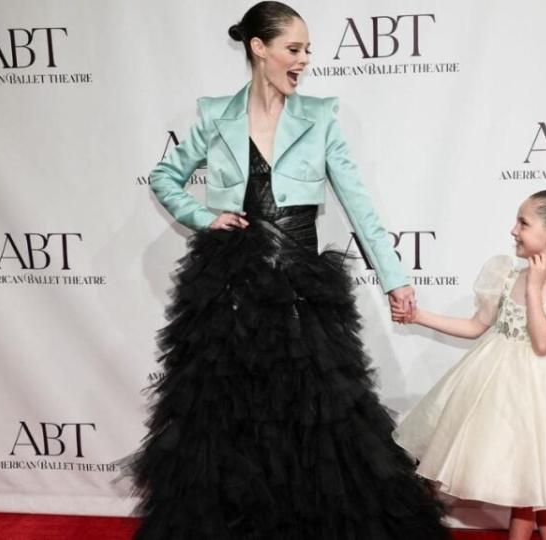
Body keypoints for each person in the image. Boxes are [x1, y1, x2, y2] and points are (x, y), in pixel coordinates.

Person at [126, 2, 449, 538]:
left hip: (300, 282)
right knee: (227, 411)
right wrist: (204, 216)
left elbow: (358, 203)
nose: (303, 62)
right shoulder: (215, 114)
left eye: (307, 52)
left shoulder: (320, 116)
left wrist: (394, 277)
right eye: (293, 50)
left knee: (319, 414)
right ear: (259, 48)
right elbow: (164, 177)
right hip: (230, 283)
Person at [392, 183, 546, 540]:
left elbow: (542, 343)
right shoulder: (506, 274)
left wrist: (536, 288)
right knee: (527, 483)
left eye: (523, 223)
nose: (513, 230)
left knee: (539, 481)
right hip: (500, 388)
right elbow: (477, 325)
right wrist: (419, 316)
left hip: (545, 393)